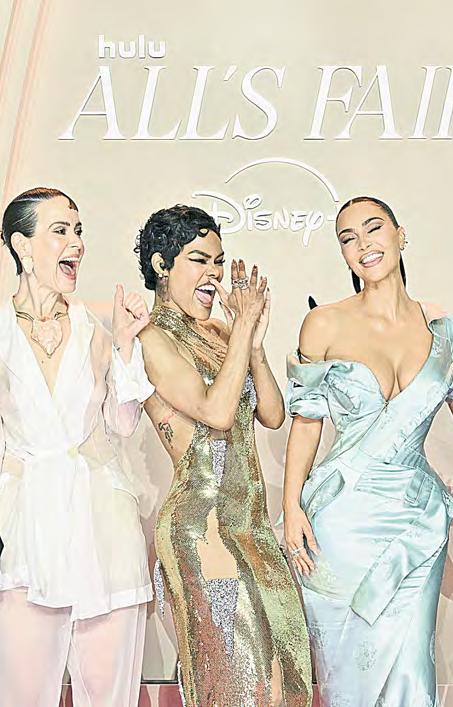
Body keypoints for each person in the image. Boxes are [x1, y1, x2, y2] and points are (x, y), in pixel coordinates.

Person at [283, 196, 453, 706]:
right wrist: (291, 507)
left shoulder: (447, 337)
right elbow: (306, 424)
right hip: (341, 523)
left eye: (373, 228)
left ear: (400, 235)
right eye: (348, 238)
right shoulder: (323, 324)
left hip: (414, 521)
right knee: (349, 675)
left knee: (412, 667)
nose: (363, 244)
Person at [0, 187, 154, 707]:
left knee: (108, 696)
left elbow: (123, 424)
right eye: (60, 231)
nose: (76, 243)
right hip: (21, 534)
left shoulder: (97, 325)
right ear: (22, 245)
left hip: (102, 532)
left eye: (78, 231)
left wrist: (126, 344)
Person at [134, 205, 312, 706]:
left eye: (218, 261)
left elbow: (272, 414)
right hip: (203, 529)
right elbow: (217, 412)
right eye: (199, 260)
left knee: (284, 678)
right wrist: (243, 328)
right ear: (161, 265)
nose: (213, 273)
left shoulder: (219, 333)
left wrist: (251, 342)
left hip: (252, 525)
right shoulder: (152, 339)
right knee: (238, 683)